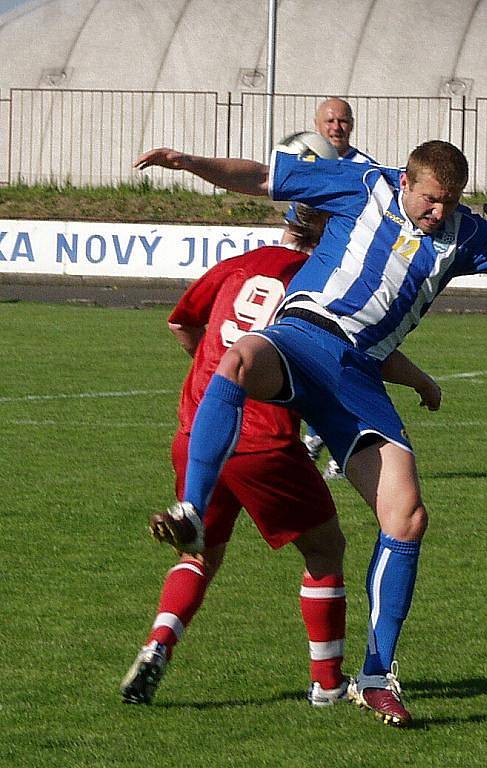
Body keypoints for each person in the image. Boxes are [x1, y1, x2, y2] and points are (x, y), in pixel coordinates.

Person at [134, 139, 487, 726]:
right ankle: (192, 509)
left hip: (357, 374)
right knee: (240, 359)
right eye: (430, 201)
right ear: (406, 182)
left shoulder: (467, 235)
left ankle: (375, 675)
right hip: (301, 337)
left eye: (450, 203)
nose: (438, 214)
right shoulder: (362, 183)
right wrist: (192, 163)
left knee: (407, 515)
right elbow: (263, 176)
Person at [121, 205, 441, 708]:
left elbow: (181, 325)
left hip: (196, 431)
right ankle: (328, 683)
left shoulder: (239, 264)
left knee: (201, 552)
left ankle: (158, 644)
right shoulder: (320, 285)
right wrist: (422, 380)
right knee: (324, 549)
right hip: (265, 442)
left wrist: (222, 371)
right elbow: (358, 351)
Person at [287, 97, 375, 479]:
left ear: (351, 125)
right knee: (312, 359)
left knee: (351, 362)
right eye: (329, 120)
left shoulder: (366, 171)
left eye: (343, 120)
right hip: (316, 281)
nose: (336, 127)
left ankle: (341, 444)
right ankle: (319, 437)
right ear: (316, 124)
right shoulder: (309, 165)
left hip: (353, 284)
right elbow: (296, 226)